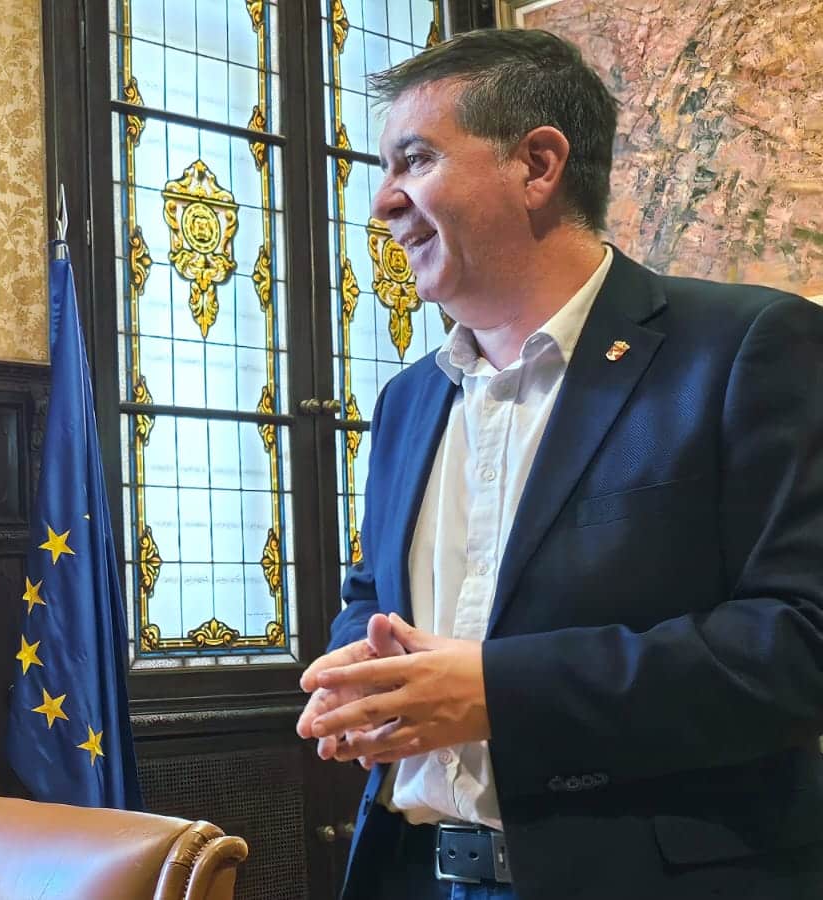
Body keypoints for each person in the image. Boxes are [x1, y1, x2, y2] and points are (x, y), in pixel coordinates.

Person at [295, 28, 823, 900]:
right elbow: (371, 594)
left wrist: (498, 692)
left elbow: (800, 642)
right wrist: (360, 673)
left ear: (538, 165)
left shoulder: (748, 348)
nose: (383, 203)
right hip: (412, 873)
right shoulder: (405, 402)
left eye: (415, 160)